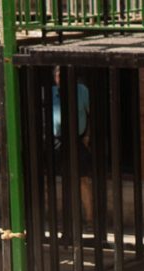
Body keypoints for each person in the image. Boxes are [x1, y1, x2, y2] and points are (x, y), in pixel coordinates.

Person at [52, 66, 93, 225]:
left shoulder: (81, 90)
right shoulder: (53, 92)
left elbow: (91, 112)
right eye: (58, 76)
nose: (60, 79)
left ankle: (89, 217)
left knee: (82, 179)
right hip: (58, 140)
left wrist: (88, 136)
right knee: (65, 179)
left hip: (78, 138)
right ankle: (70, 219)